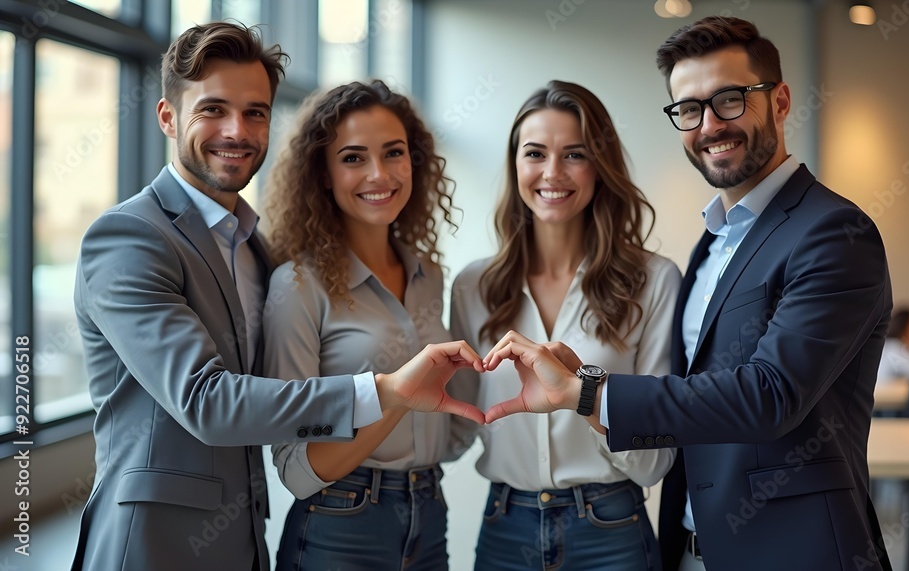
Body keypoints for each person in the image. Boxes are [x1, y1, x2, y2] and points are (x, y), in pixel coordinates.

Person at [479, 16, 894, 571]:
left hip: (793, 548)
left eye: (729, 99)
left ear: (780, 101)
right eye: (689, 109)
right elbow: (696, 401)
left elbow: (770, 394)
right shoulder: (714, 242)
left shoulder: (834, 231)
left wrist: (588, 393)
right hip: (694, 548)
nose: (709, 125)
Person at [71, 23, 483, 571]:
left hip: (245, 536)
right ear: (168, 116)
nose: (236, 130)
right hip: (153, 541)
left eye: (256, 112)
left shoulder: (256, 248)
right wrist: (385, 391)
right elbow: (207, 401)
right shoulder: (130, 236)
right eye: (213, 109)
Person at [449, 80, 681, 571]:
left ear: (601, 166)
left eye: (574, 154)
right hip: (504, 528)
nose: (552, 172)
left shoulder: (654, 281)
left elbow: (653, 462)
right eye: (535, 152)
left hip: (612, 529)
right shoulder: (474, 286)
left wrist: (584, 394)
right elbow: (453, 430)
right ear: (515, 165)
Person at [262, 80, 463, 570]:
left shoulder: (428, 276)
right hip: (340, 523)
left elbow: (448, 425)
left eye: (393, 153)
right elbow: (296, 469)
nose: (379, 173)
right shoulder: (297, 287)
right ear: (324, 174)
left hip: (430, 514)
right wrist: (398, 397)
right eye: (353, 158)